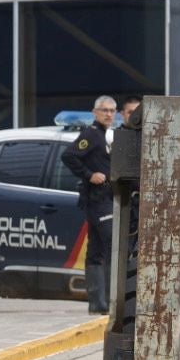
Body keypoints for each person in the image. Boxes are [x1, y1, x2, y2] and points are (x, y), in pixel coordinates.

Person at [63, 95, 116, 314]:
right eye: (104, 110)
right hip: (98, 200)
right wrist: (89, 174)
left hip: (104, 199)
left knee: (96, 250)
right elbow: (69, 156)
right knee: (114, 246)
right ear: (95, 112)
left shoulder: (106, 136)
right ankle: (111, 301)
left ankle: (97, 303)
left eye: (113, 111)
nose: (109, 114)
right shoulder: (91, 135)